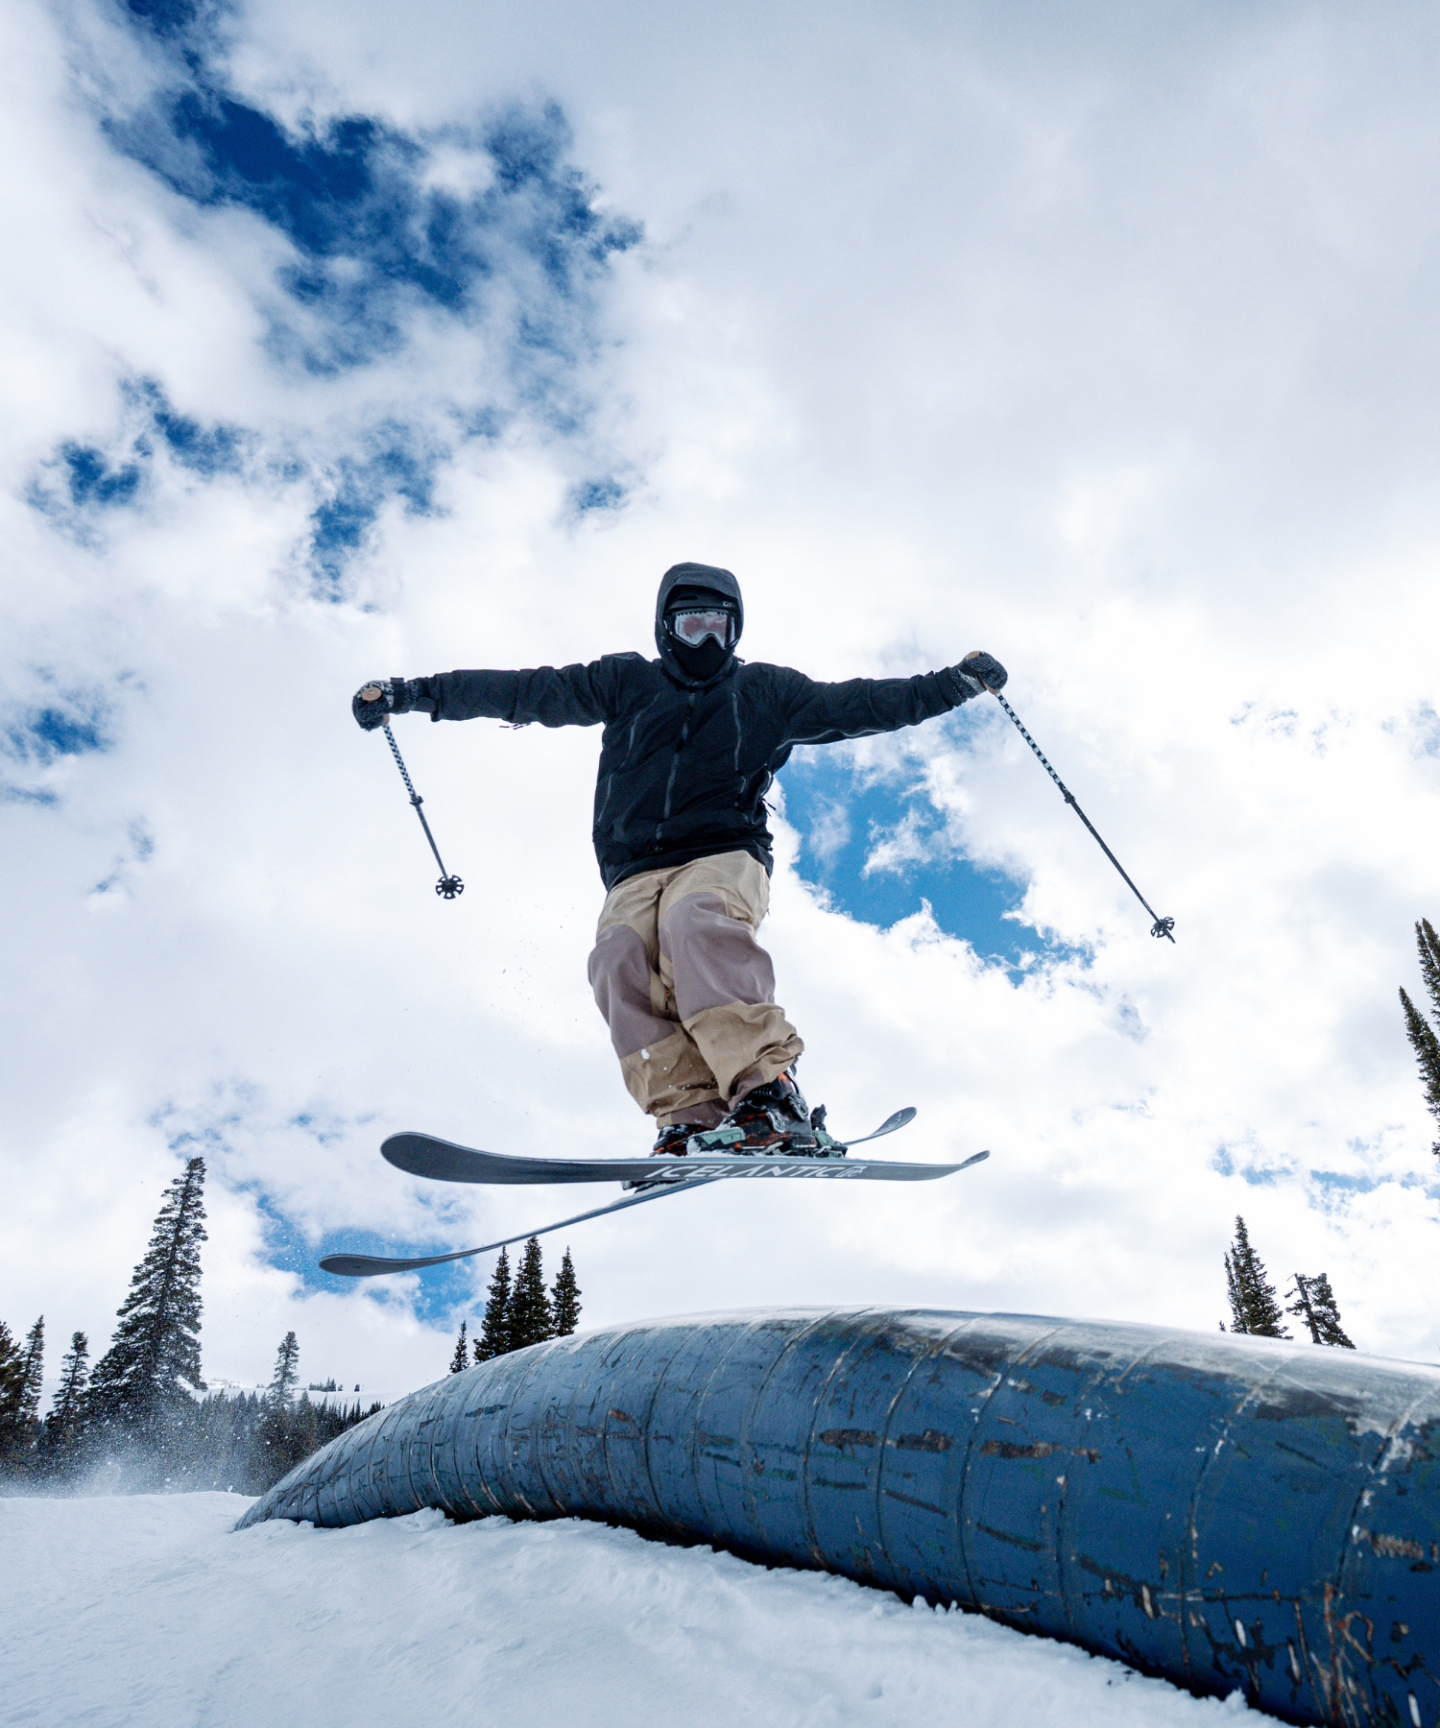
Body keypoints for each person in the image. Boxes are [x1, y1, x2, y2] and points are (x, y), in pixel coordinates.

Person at [353, 562, 1006, 1157]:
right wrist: (413, 694)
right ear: (667, 628)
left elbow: (864, 704)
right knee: (616, 961)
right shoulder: (625, 682)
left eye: (718, 626)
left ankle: (765, 1091)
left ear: (735, 630)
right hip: (633, 868)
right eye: (690, 624)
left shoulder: (766, 693)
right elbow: (526, 691)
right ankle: (688, 1112)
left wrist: (956, 684)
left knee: (695, 925)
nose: (705, 641)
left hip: (725, 853)